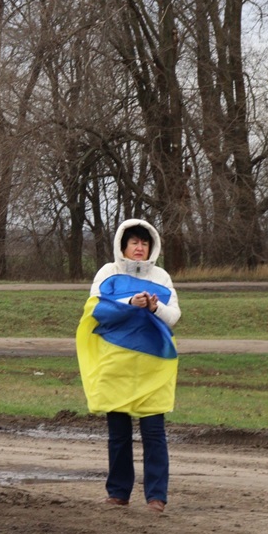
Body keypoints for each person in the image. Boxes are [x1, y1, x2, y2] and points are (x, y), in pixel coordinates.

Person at [76, 218, 181, 513]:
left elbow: (173, 316)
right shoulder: (108, 273)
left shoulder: (161, 277)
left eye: (144, 243)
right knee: (119, 435)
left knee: (154, 434)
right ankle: (118, 492)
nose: (139, 247)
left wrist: (153, 306)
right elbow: (96, 309)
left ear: (152, 247)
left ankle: (156, 497)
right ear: (123, 245)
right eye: (134, 242)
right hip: (117, 365)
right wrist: (129, 302)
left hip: (152, 367)